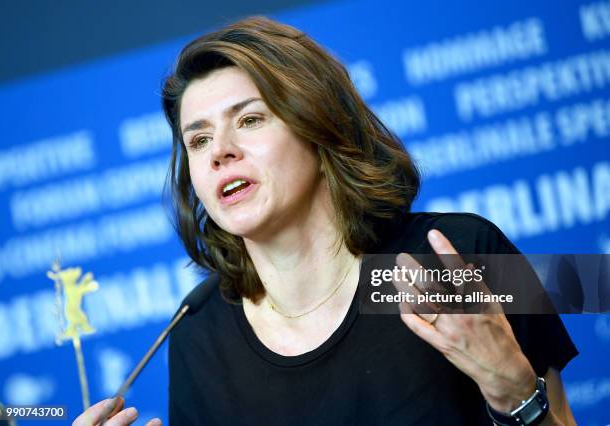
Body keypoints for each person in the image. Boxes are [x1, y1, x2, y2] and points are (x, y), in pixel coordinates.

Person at [75, 17, 578, 426]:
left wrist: (515, 393)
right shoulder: (196, 334)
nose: (220, 153)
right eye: (198, 140)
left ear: (318, 127)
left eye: (249, 120)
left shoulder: (460, 251)